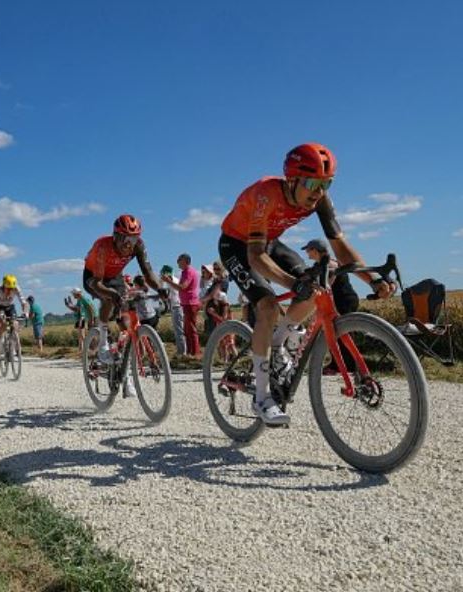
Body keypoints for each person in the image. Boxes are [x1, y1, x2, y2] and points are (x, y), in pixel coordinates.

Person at [218, 142, 395, 425]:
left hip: (270, 242)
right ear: (292, 179)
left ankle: (277, 343)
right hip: (238, 246)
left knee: (316, 284)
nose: (319, 191)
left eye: (327, 183)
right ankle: (262, 398)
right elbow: (255, 256)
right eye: (313, 182)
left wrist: (372, 278)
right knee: (266, 307)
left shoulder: (320, 199)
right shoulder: (266, 194)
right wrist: (291, 282)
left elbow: (340, 245)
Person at [83, 214, 168, 365]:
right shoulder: (103, 246)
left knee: (123, 311)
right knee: (109, 298)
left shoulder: (138, 246)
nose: (129, 244)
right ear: (115, 236)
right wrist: (111, 294)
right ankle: (103, 344)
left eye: (133, 239)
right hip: (94, 277)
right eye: (125, 238)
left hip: (115, 275)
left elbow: (148, 273)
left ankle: (121, 353)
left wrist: (160, 289)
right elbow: (98, 283)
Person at [302, 238, 360, 374]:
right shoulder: (321, 263)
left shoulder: (330, 264)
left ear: (315, 250)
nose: (307, 253)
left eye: (308, 250)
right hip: (342, 299)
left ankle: (346, 366)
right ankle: (339, 364)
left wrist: (314, 286)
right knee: (335, 333)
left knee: (341, 333)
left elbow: (327, 284)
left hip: (343, 300)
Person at [161, 253, 201, 358]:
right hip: (187, 302)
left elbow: (183, 287)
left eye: (179, 259)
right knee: (187, 330)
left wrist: (168, 281)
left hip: (190, 303)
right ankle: (190, 352)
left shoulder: (188, 272)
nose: (177, 261)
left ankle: (195, 353)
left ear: (185, 261)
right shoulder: (186, 272)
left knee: (191, 329)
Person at [0, 274, 27, 359]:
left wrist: (25, 312)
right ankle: (1, 348)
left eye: (12, 289)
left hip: (10, 306)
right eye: (8, 289)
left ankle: (13, 349)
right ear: (4, 286)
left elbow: (23, 302)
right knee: (2, 325)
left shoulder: (16, 288)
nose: (10, 291)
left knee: (15, 324)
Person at [159, 265, 186, 356]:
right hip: (176, 307)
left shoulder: (172, 282)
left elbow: (165, 296)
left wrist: (162, 282)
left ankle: (182, 352)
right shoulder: (173, 281)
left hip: (177, 307)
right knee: (178, 330)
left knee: (179, 331)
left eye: (163, 273)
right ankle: (181, 351)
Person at [64, 287, 96, 352]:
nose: (73, 295)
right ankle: (91, 350)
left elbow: (90, 308)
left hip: (91, 317)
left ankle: (92, 350)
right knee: (89, 334)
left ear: (77, 294)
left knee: (91, 335)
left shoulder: (83, 299)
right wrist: (70, 305)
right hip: (89, 317)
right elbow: (77, 309)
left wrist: (91, 319)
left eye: (74, 294)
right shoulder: (80, 300)